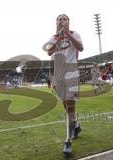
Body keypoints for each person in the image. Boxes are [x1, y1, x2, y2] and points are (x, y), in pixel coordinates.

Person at [43, 14, 83, 154]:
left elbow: (81, 47)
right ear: (56, 23)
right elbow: (49, 53)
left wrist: (68, 35)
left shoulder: (74, 34)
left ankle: (68, 141)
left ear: (68, 22)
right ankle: (76, 125)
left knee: (70, 108)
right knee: (66, 107)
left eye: (64, 19)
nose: (62, 20)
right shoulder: (53, 38)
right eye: (59, 19)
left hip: (72, 75)